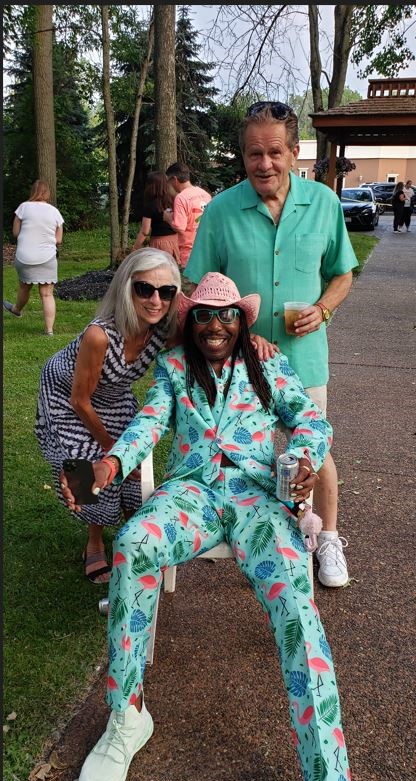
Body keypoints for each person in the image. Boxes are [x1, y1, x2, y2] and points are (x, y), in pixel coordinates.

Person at [62, 273, 359, 781]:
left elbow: (311, 419)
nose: (215, 325)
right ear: (191, 321)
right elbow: (150, 422)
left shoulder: (268, 366)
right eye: (203, 315)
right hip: (192, 496)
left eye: (227, 315)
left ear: (242, 322)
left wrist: (302, 458)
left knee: (299, 611)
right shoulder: (174, 369)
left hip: (259, 499)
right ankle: (127, 716)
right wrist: (111, 464)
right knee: (134, 542)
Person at [184, 101, 359, 588]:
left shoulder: (324, 203)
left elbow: (342, 273)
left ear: (294, 151)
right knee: (241, 449)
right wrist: (238, 331)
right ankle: (244, 527)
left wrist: (323, 308)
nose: (264, 164)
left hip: (305, 356)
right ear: (243, 155)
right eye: (254, 153)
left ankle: (328, 538)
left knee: (315, 449)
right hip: (238, 362)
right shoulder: (221, 210)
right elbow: (197, 289)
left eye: (275, 152)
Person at [35, 248, 181, 583]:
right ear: (126, 289)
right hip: (67, 394)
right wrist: (109, 446)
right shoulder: (99, 334)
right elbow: (79, 400)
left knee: (132, 466)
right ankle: (94, 541)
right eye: (144, 289)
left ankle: (133, 532)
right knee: (88, 463)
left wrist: (256, 341)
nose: (155, 300)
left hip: (112, 393)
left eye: (166, 291)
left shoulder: (164, 328)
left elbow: (209, 337)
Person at [3, 179, 64, 335]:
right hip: (47, 257)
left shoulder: (23, 207)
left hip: (24, 257)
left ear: (33, 192)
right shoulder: (54, 212)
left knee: (25, 286)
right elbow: (58, 240)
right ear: (48, 193)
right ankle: (49, 330)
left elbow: (16, 233)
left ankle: (16, 309)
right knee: (47, 294)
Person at [163, 161, 212, 268]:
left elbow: (180, 227)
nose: (168, 185)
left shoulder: (181, 197)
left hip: (189, 254)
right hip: (207, 250)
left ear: (174, 179)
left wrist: (168, 219)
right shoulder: (205, 194)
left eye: (168, 182)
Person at [131, 171, 180, 263]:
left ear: (151, 186)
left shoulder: (151, 206)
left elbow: (145, 231)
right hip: (176, 241)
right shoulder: (174, 201)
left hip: (159, 243)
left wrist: (135, 248)